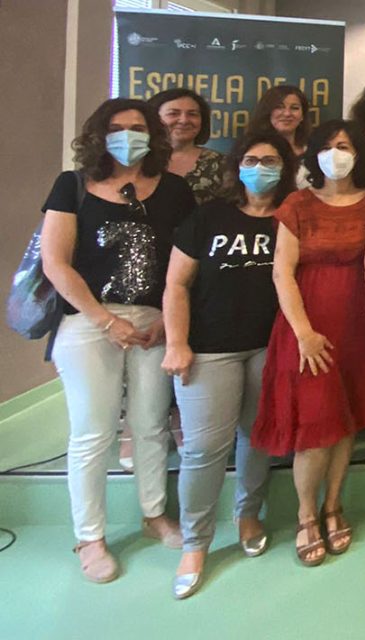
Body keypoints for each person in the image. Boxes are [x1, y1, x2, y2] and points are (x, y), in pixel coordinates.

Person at [40, 98, 194, 583]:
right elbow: (56, 263)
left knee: (151, 424)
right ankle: (90, 538)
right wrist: (107, 321)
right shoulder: (74, 185)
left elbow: (184, 263)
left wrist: (169, 324)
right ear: (98, 135)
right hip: (89, 323)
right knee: (94, 432)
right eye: (118, 128)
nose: (129, 136)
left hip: (153, 322)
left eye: (139, 128)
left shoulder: (173, 190)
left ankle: (153, 515)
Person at [160, 132, 296, 598]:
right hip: (209, 349)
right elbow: (176, 284)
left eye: (271, 160)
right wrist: (176, 342)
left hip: (269, 347)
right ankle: (195, 543)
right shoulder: (209, 216)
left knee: (256, 438)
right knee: (203, 448)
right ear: (238, 167)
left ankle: (248, 513)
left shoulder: (290, 217)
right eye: (253, 160)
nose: (262, 167)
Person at [252, 119, 365, 567]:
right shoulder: (297, 203)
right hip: (308, 329)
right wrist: (304, 333)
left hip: (359, 326)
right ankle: (306, 515)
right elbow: (281, 272)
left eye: (346, 145)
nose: (337, 153)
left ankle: (334, 505)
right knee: (315, 428)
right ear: (313, 155)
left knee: (344, 419)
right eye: (329, 146)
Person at [149, 88, 223, 204]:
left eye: (192, 114)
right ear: (153, 118)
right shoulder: (139, 160)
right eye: (173, 113)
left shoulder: (222, 164)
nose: (184, 120)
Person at [247, 85, 312, 187]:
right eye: (279, 107)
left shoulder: (314, 152)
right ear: (267, 112)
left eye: (294, 108)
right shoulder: (251, 151)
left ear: (302, 115)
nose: (287, 113)